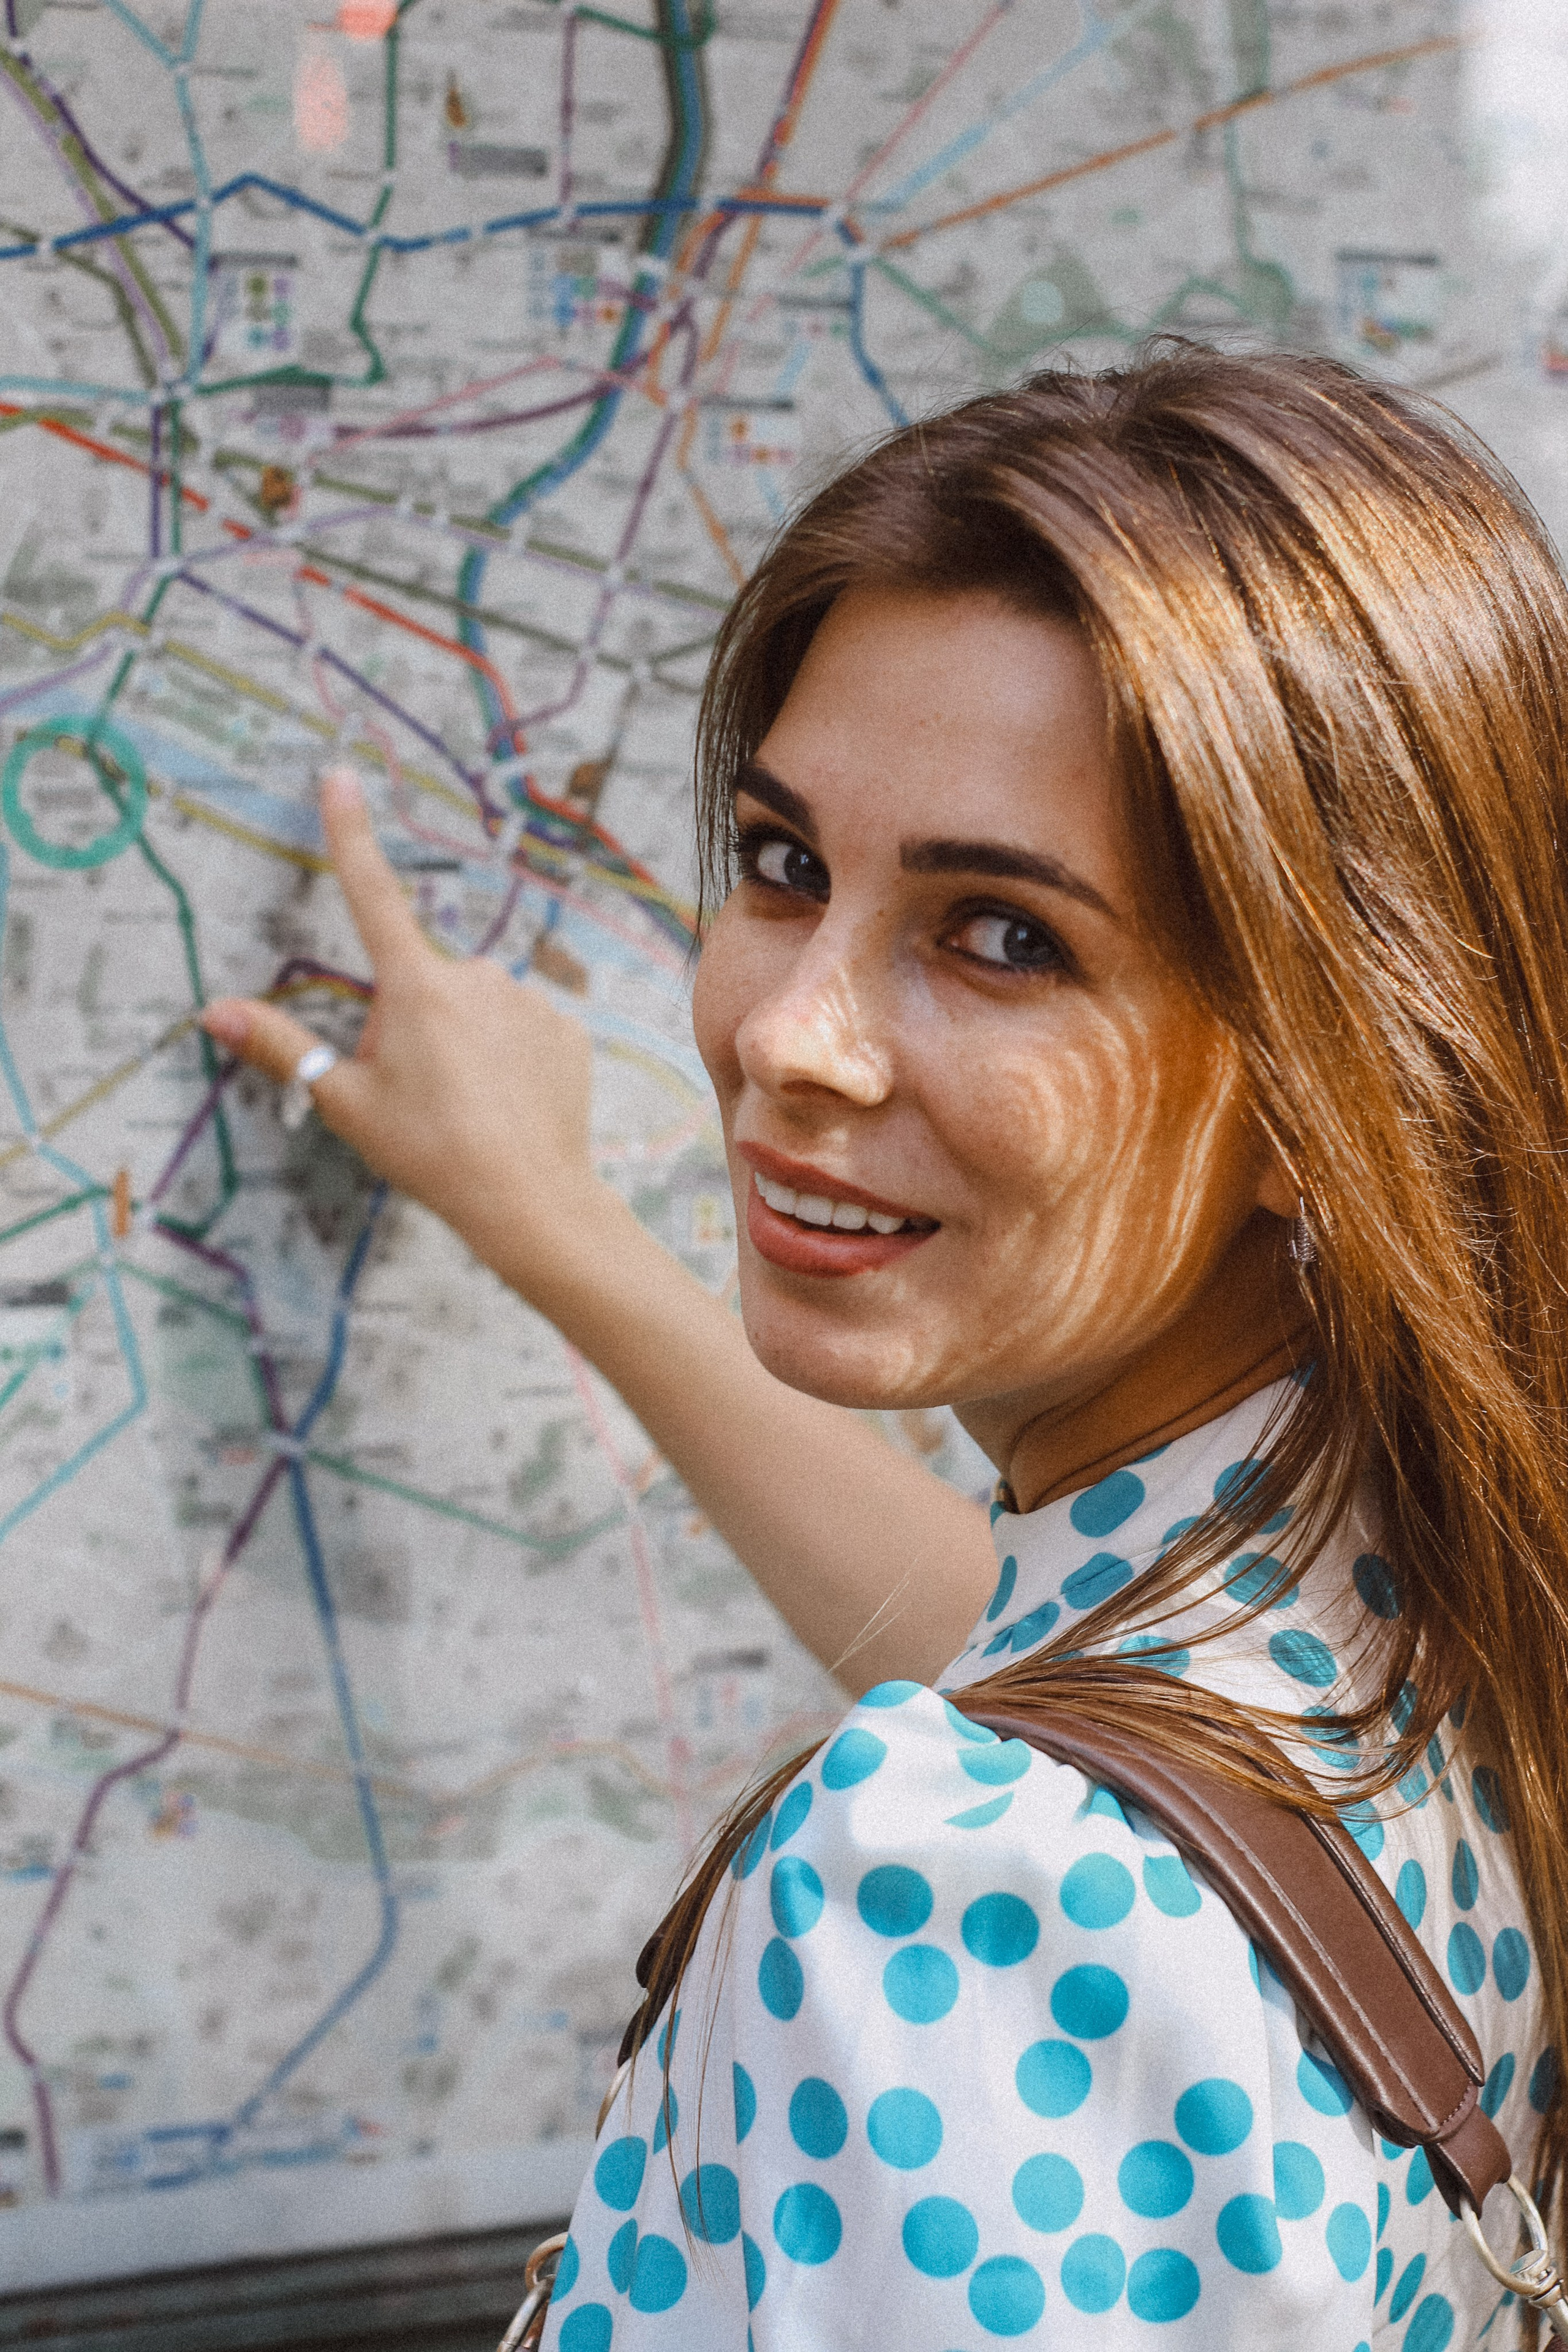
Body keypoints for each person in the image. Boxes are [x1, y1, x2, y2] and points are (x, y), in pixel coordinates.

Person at [202, 345, 1568, 2350]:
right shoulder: (1423, 1641)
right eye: (781, 865)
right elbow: (1017, 1652)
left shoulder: (957, 1888)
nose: (784, 1034)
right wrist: (558, 1228)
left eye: (1002, 934)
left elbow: (1022, 1793)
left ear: (1326, 1089)